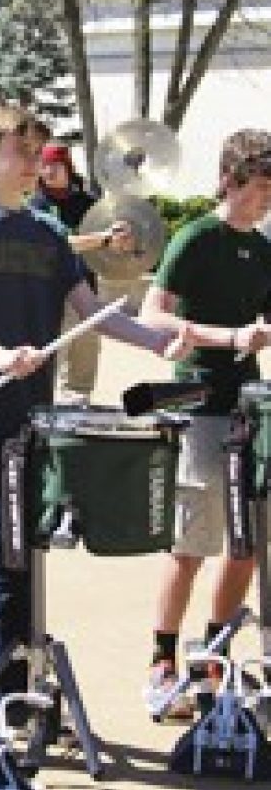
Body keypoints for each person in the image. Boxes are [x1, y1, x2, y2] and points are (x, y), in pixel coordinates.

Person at [0, 104, 191, 761]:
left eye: (38, 153)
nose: (33, 164)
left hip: (29, 430)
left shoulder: (47, 236)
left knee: (17, 569)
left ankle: (7, 696)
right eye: (20, 151)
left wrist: (155, 341)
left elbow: (92, 313)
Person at [140, 129, 271, 719]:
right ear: (233, 180)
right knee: (192, 543)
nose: (269, 199)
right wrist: (224, 337)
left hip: (249, 411)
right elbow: (152, 314)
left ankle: (213, 653)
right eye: (264, 187)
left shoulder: (264, 249)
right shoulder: (196, 238)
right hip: (200, 408)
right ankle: (162, 660)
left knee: (245, 545)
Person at [28, 142, 133, 402]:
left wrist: (123, 237)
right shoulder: (36, 205)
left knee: (85, 361)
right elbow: (60, 246)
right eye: (45, 165)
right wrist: (103, 238)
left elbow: (112, 245)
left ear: (68, 167)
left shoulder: (89, 204)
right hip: (49, 296)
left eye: (55, 164)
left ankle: (79, 412)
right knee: (52, 361)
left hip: (87, 293)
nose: (49, 170)